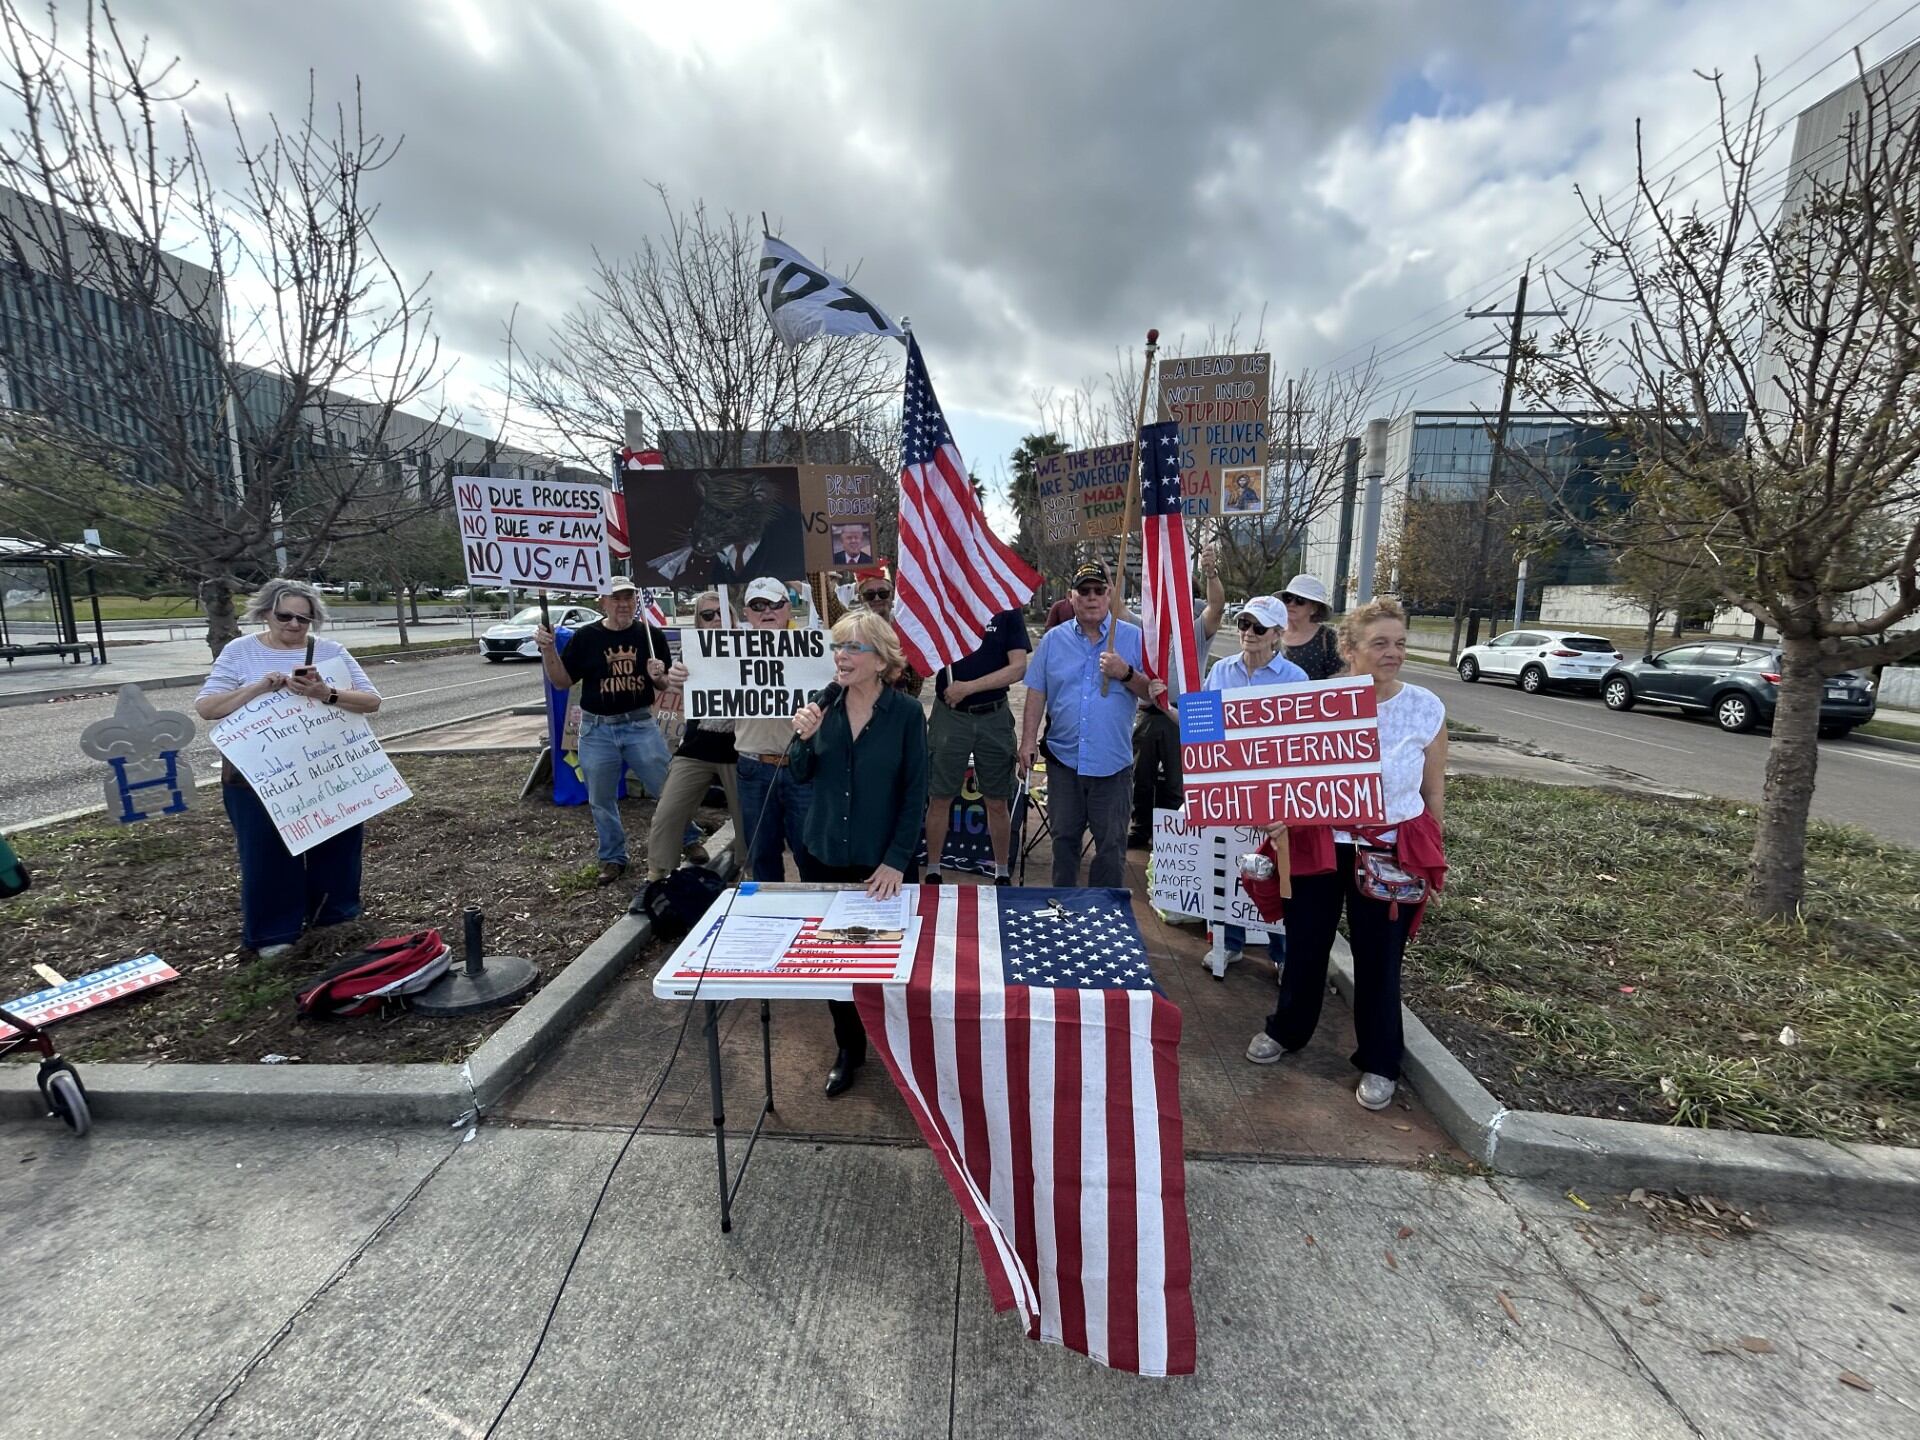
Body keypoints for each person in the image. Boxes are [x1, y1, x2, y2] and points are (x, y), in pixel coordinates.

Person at [1247, 598, 1448, 1113]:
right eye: (1380, 643)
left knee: (1380, 960)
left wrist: (1431, 851)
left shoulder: (1426, 707)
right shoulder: (1315, 701)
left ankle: (1381, 1061)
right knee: (1306, 946)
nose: (1393, 653)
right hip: (1319, 843)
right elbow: (1286, 775)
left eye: (1400, 642)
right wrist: (1275, 813)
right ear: (1350, 649)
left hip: (1388, 850)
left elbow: (1433, 791)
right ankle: (1287, 1030)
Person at [194, 579, 383, 959]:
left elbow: (371, 701)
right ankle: (274, 933)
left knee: (337, 844)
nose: (295, 625)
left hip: (328, 767)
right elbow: (207, 708)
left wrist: (323, 692)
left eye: (304, 618)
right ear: (265, 614)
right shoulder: (240, 652)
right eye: (285, 616)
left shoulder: (330, 651)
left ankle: (334, 917)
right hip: (257, 775)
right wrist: (260, 688)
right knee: (267, 852)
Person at [789, 610, 929, 1097]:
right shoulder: (821, 707)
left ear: (881, 660)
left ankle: (901, 1050)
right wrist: (803, 740)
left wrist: (896, 859)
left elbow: (916, 795)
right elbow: (799, 776)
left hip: (882, 862)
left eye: (853, 647)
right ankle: (849, 1048)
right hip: (824, 851)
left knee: (886, 961)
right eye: (838, 646)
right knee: (834, 963)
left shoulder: (907, 715)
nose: (842, 656)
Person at [534, 576, 696, 885]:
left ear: (635, 602)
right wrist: (548, 650)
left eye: (628, 598)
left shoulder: (650, 635)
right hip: (597, 730)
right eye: (615, 598)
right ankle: (612, 856)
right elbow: (561, 681)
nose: (623, 604)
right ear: (603, 602)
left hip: (640, 725)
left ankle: (688, 838)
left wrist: (658, 676)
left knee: (669, 788)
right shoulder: (586, 637)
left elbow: (663, 683)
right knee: (601, 798)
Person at [1017, 561, 1153, 887]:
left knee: (1111, 846)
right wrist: (1027, 741)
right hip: (1065, 762)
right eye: (1084, 591)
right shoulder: (1053, 641)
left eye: (1098, 590)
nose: (1092, 597)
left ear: (1109, 595)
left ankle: (1104, 916)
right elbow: (1037, 693)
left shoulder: (1133, 638)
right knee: (1064, 841)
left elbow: (1154, 693)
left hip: (1113, 765)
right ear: (1071, 597)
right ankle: (1064, 911)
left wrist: (1127, 674)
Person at [1203, 594, 1309, 969]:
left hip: (1274, 792)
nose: (1248, 632)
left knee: (1273, 868)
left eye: (1258, 627)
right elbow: (1205, 730)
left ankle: (1281, 954)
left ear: (1278, 634)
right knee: (1229, 864)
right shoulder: (1221, 671)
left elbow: (1301, 743)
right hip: (1230, 787)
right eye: (1244, 623)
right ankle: (1229, 943)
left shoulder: (1296, 680)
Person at [1127, 542, 1226, 848]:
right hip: (1148, 711)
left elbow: (1217, 608)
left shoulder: (1196, 630)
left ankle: (1173, 834)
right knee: (1140, 776)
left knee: (1178, 780)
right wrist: (1107, 576)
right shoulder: (1149, 629)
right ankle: (1141, 826)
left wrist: (1211, 573)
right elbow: (1118, 610)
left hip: (1187, 711)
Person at [922, 607, 1029, 887]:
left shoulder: (1007, 608)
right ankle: (933, 870)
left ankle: (1001, 871)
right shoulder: (945, 598)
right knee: (939, 796)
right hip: (950, 715)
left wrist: (969, 687)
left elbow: (1018, 667)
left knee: (997, 799)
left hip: (993, 716)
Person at [647, 592, 744, 881]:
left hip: (739, 748)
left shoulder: (750, 646)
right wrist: (663, 678)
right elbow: (673, 684)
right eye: (707, 615)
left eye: (721, 613)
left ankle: (747, 873)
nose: (715, 619)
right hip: (697, 746)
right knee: (668, 812)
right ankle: (655, 877)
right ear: (698, 621)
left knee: (747, 821)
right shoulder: (691, 652)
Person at [732, 577, 816, 882]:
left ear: (788, 608)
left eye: (775, 604)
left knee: (809, 851)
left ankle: (813, 915)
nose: (767, 611)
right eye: (758, 605)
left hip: (801, 767)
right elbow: (699, 687)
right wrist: (678, 676)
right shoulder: (727, 652)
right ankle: (770, 919)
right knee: (762, 853)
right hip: (753, 767)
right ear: (746, 613)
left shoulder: (813, 648)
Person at [1278, 572, 1343, 680]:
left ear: (1314, 608)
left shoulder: (1329, 638)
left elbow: (1337, 678)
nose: (1292, 604)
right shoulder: (1272, 632)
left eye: (1300, 600)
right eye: (1288, 598)